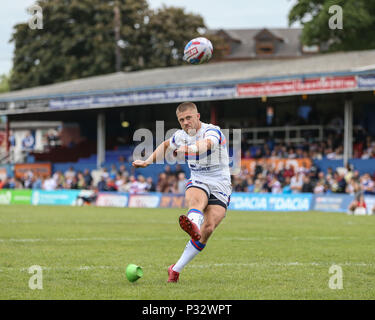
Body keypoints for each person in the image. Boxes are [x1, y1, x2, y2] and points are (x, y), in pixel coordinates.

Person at [132, 102, 232, 283]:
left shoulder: (213, 130)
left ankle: (175, 269)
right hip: (199, 179)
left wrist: (190, 149)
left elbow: (207, 145)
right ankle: (193, 223)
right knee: (196, 201)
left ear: (198, 117)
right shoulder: (179, 136)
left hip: (220, 184)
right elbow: (165, 145)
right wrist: (147, 161)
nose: (186, 123)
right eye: (181, 120)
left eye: (188, 118)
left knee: (208, 228)